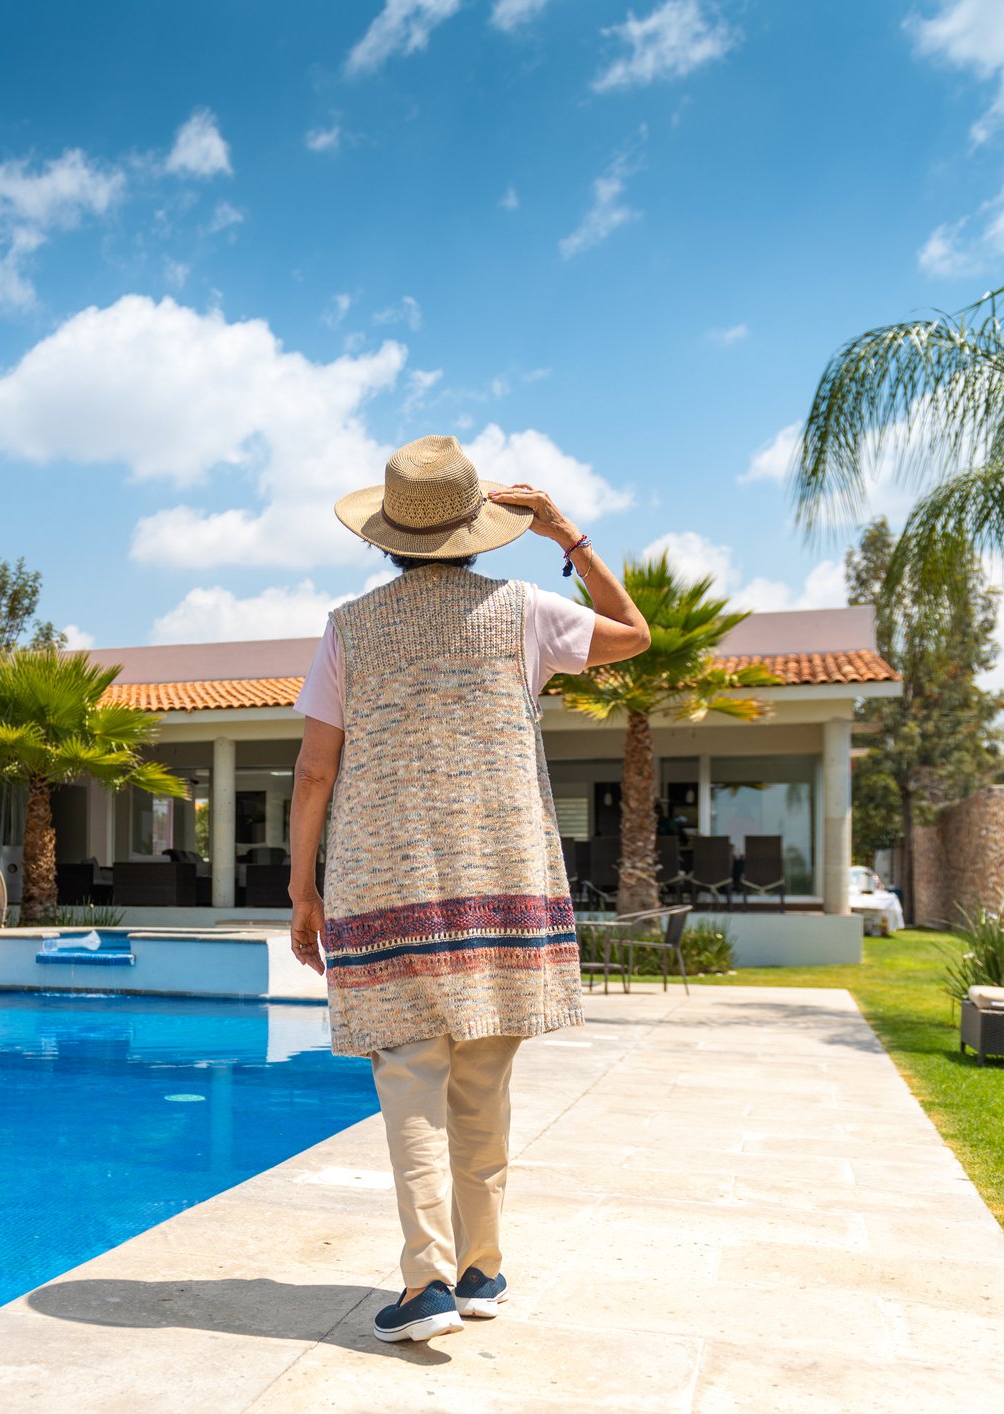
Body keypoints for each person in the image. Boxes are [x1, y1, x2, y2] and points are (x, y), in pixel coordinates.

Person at [287, 434, 649, 1344]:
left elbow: (313, 772)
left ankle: (429, 1285)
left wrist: (302, 888)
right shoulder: (524, 609)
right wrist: (568, 536)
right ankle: (481, 1269)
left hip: (384, 880)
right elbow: (633, 635)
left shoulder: (348, 626)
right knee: (482, 1077)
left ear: (385, 538)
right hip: (503, 877)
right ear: (480, 530)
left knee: (411, 1077)